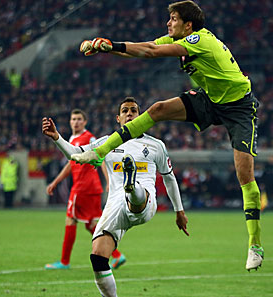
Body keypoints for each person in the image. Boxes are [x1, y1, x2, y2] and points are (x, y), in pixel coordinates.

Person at [75, 0, 263, 270]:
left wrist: (112, 45)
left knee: (245, 175)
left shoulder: (199, 39)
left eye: (173, 19)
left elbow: (152, 53)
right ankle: (99, 151)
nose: (168, 23)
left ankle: (254, 244)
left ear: (188, 25)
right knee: (159, 108)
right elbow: (146, 48)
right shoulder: (180, 37)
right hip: (210, 99)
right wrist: (107, 47)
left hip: (239, 107)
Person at [42, 97, 189, 297]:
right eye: (125, 111)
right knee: (98, 256)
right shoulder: (105, 143)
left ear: (141, 116)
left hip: (145, 202)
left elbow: (169, 179)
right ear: (118, 118)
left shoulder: (156, 146)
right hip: (115, 206)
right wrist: (57, 137)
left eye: (134, 111)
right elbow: (75, 154)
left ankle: (132, 185)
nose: (130, 114)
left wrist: (179, 211)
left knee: (135, 193)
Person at [44, 109, 126, 270]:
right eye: (73, 119)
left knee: (71, 220)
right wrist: (56, 182)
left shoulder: (89, 138)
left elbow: (101, 157)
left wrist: (109, 181)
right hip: (88, 188)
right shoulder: (72, 139)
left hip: (83, 188)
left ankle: (64, 262)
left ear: (85, 122)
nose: (76, 122)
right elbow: (71, 163)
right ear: (69, 122)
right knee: (91, 224)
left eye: (79, 119)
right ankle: (117, 255)